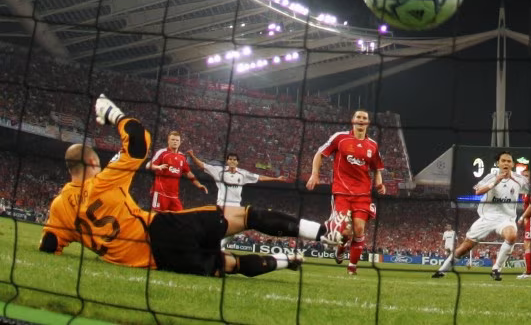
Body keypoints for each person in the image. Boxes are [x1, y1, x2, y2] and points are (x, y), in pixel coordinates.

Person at [40, 95, 330, 278]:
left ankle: (286, 260)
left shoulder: (59, 207)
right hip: (161, 230)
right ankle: (323, 234)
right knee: (247, 216)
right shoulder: (105, 180)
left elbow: (50, 244)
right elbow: (139, 141)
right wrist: (114, 114)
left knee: (231, 265)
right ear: (93, 161)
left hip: (159, 262)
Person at [432, 152, 531, 281]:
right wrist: (495, 181)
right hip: (488, 217)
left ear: (513, 164)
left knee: (511, 236)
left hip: (506, 218)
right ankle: (442, 270)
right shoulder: (490, 177)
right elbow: (478, 191)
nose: (506, 163)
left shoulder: (519, 179)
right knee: (465, 247)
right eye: (503, 161)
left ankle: (496, 269)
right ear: (498, 163)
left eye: (509, 161)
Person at [306, 109, 385, 275]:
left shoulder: (373, 145)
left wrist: (379, 183)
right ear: (353, 120)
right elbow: (319, 154)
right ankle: (341, 247)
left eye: (364, 118)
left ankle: (352, 268)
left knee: (359, 229)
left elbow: (377, 168)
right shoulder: (340, 138)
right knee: (343, 232)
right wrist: (314, 174)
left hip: (363, 194)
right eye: (358, 117)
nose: (361, 120)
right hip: (341, 192)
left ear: (368, 122)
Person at [189, 152, 287, 208]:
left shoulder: (243, 174)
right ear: (227, 161)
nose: (232, 161)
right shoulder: (219, 171)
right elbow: (203, 165)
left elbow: (260, 177)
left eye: (234, 160)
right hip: (222, 204)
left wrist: (276, 179)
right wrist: (192, 156)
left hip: (236, 205)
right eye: (230, 159)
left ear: (237, 162)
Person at [146, 131, 207, 211]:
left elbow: (188, 173)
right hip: (160, 193)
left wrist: (199, 184)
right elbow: (148, 165)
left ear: (180, 142)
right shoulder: (162, 152)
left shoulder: (182, 157)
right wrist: (158, 167)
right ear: (168, 141)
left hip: (174, 196)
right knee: (156, 216)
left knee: (180, 216)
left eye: (177, 140)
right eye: (173, 140)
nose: (175, 142)